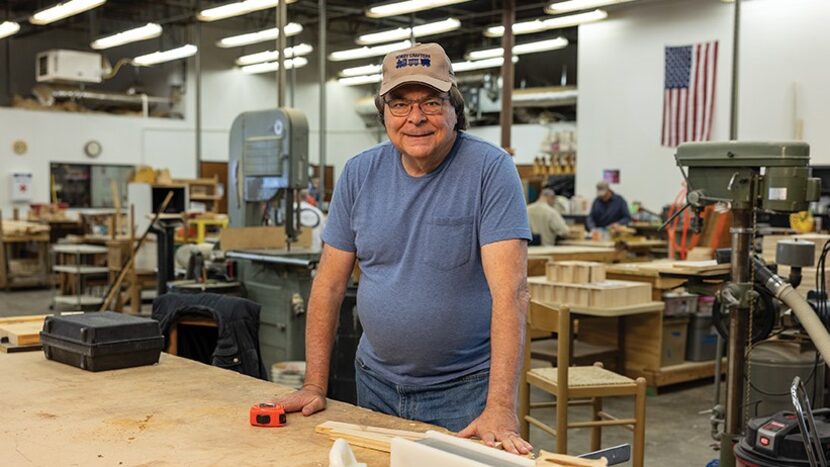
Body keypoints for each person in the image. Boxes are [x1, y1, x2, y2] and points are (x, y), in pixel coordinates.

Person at [278, 42, 533, 455]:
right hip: (374, 382)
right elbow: (327, 285)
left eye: (431, 102)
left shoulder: (490, 170)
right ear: (383, 113)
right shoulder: (359, 173)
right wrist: (314, 384)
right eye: (399, 104)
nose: (416, 117)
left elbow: (512, 293)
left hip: (463, 392)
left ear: (454, 108)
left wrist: (500, 406)